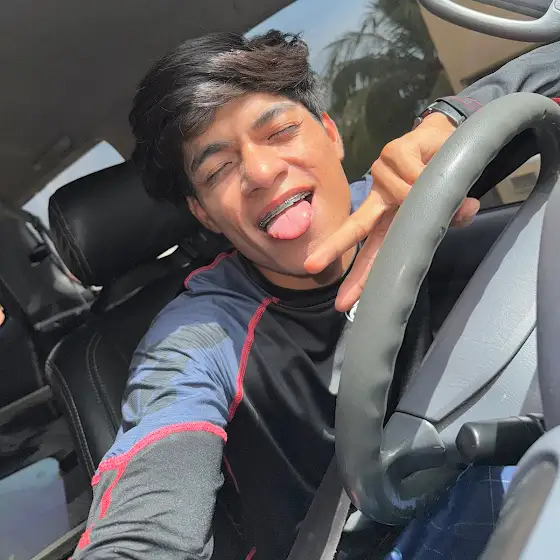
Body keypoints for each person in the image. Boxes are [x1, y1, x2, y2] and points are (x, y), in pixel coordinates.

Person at [72, 31, 560, 559]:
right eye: (218, 170)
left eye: (281, 131)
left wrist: (458, 118)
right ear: (204, 214)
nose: (261, 172)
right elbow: (143, 523)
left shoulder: (414, 195)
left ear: (331, 134)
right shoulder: (199, 337)